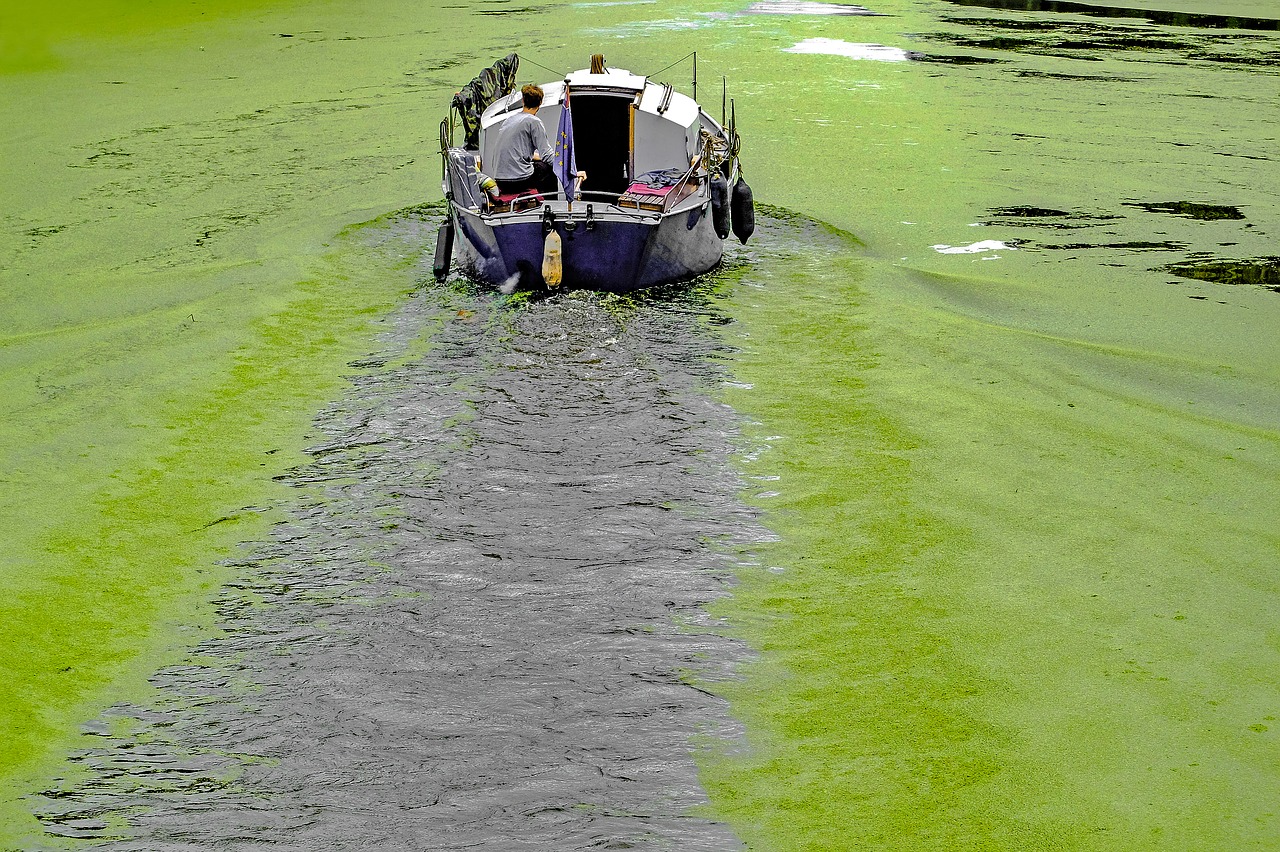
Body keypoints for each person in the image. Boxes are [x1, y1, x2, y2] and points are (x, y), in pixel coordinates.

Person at [492, 84, 560, 197]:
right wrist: (569, 170)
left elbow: (517, 152)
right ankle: (549, 205)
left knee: (539, 164)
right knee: (547, 169)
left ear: (523, 101)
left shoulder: (509, 120)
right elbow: (547, 155)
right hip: (518, 181)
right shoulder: (534, 122)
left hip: (500, 180)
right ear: (540, 103)